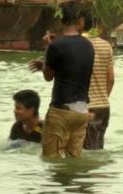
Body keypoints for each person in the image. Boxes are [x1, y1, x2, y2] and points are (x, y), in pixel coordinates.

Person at [29, 2, 94, 158]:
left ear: (61, 20)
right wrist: (47, 62)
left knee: (51, 158)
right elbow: (72, 67)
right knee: (73, 159)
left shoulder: (56, 46)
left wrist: (47, 49)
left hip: (61, 110)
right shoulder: (88, 45)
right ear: (79, 20)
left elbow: (48, 77)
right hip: (82, 111)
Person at [82, 11, 115, 150]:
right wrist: (103, 96)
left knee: (83, 149)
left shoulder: (79, 45)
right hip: (103, 106)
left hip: (84, 106)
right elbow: (111, 79)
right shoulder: (106, 46)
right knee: (97, 146)